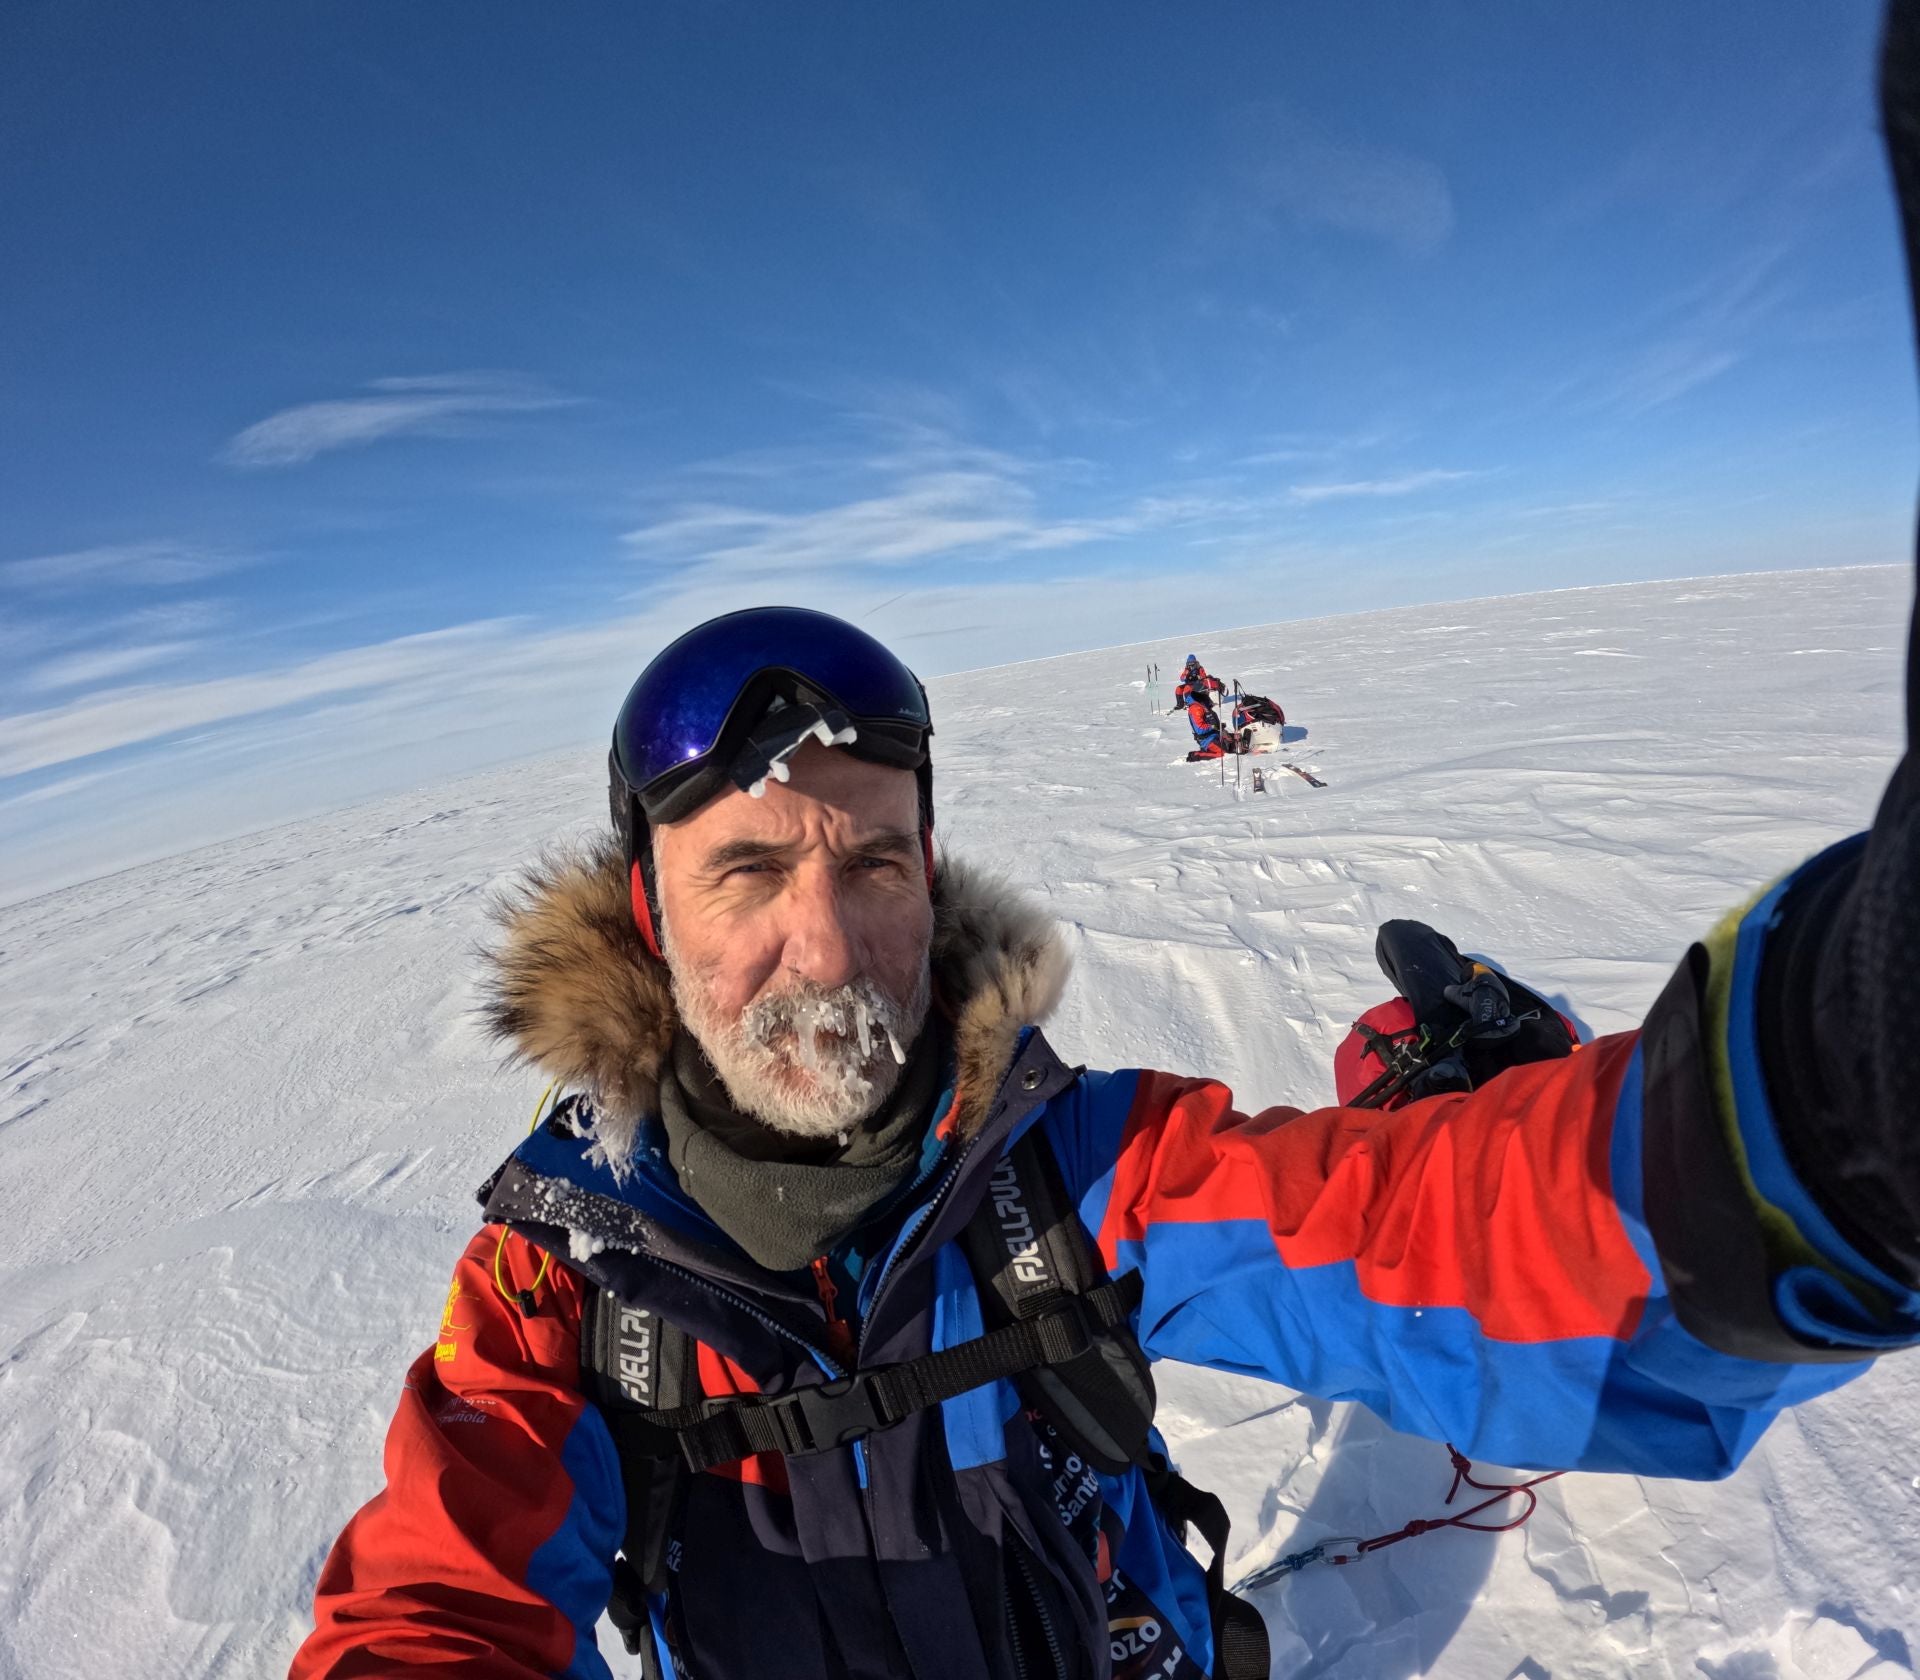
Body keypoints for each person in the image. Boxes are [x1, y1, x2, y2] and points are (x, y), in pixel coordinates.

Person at [291, 16, 1920, 1675]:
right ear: (645, 920)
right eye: (749, 874)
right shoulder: (559, 1293)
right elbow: (438, 1598)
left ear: (934, 876)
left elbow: (1430, 1239)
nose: (834, 943)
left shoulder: (1069, 1175)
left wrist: (1831, 1099)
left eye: (874, 864)